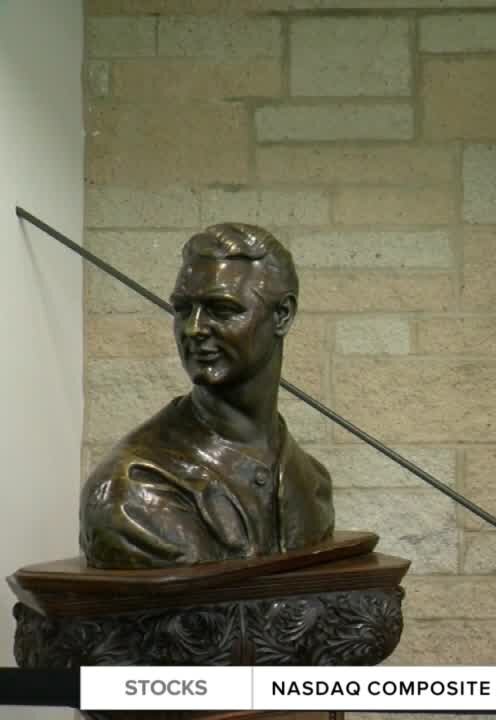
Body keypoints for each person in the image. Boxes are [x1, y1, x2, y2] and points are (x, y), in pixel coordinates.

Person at [80, 223, 334, 569]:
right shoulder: (135, 491)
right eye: (183, 309)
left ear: (282, 315)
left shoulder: (311, 483)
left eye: (221, 309)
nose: (193, 328)